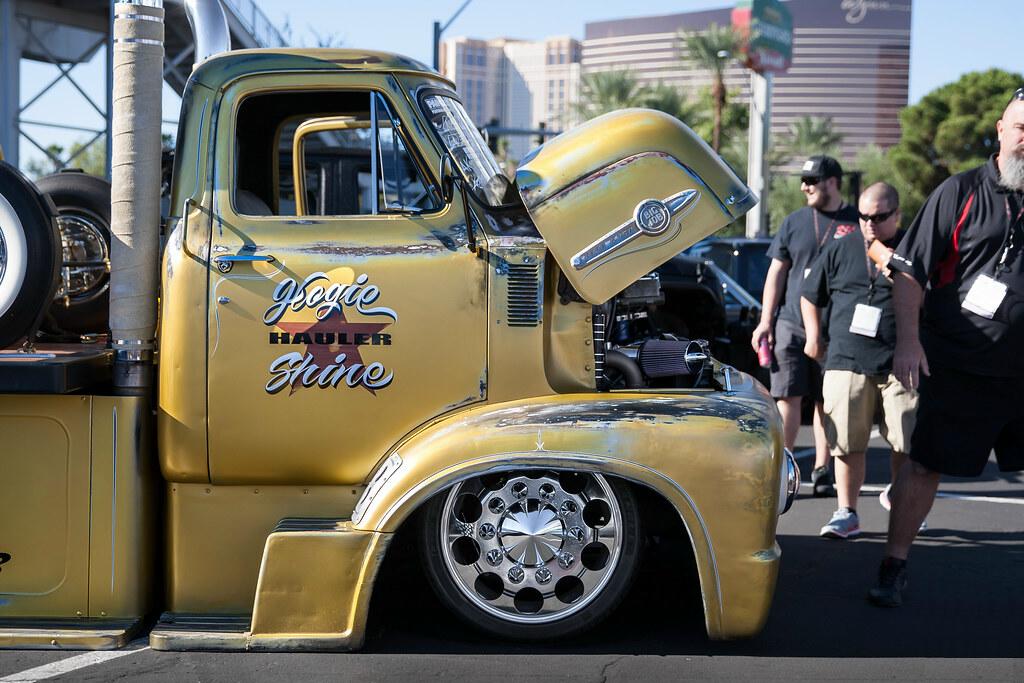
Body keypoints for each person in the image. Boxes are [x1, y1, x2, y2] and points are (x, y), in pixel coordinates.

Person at [868, 89, 1024, 607]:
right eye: (1021, 128)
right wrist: (908, 343)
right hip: (959, 364)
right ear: (1000, 129)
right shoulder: (960, 192)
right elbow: (909, 272)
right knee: (925, 465)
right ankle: (894, 565)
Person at [800, 182, 917, 539]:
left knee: (906, 439)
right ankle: (846, 512)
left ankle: (903, 502)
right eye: (864, 216)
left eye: (879, 217)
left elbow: (933, 298)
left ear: (896, 214)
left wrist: (896, 271)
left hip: (899, 359)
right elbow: (809, 295)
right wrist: (813, 336)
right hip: (846, 358)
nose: (869, 224)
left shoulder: (913, 248)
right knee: (846, 442)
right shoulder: (839, 248)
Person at [751, 155, 860, 495]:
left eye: (811, 181)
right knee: (788, 395)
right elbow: (777, 273)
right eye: (803, 180)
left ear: (832, 182)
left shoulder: (856, 221)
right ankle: (781, 467)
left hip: (835, 327)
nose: (804, 186)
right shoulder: (795, 221)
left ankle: (822, 469)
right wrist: (765, 320)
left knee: (827, 400)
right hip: (790, 324)